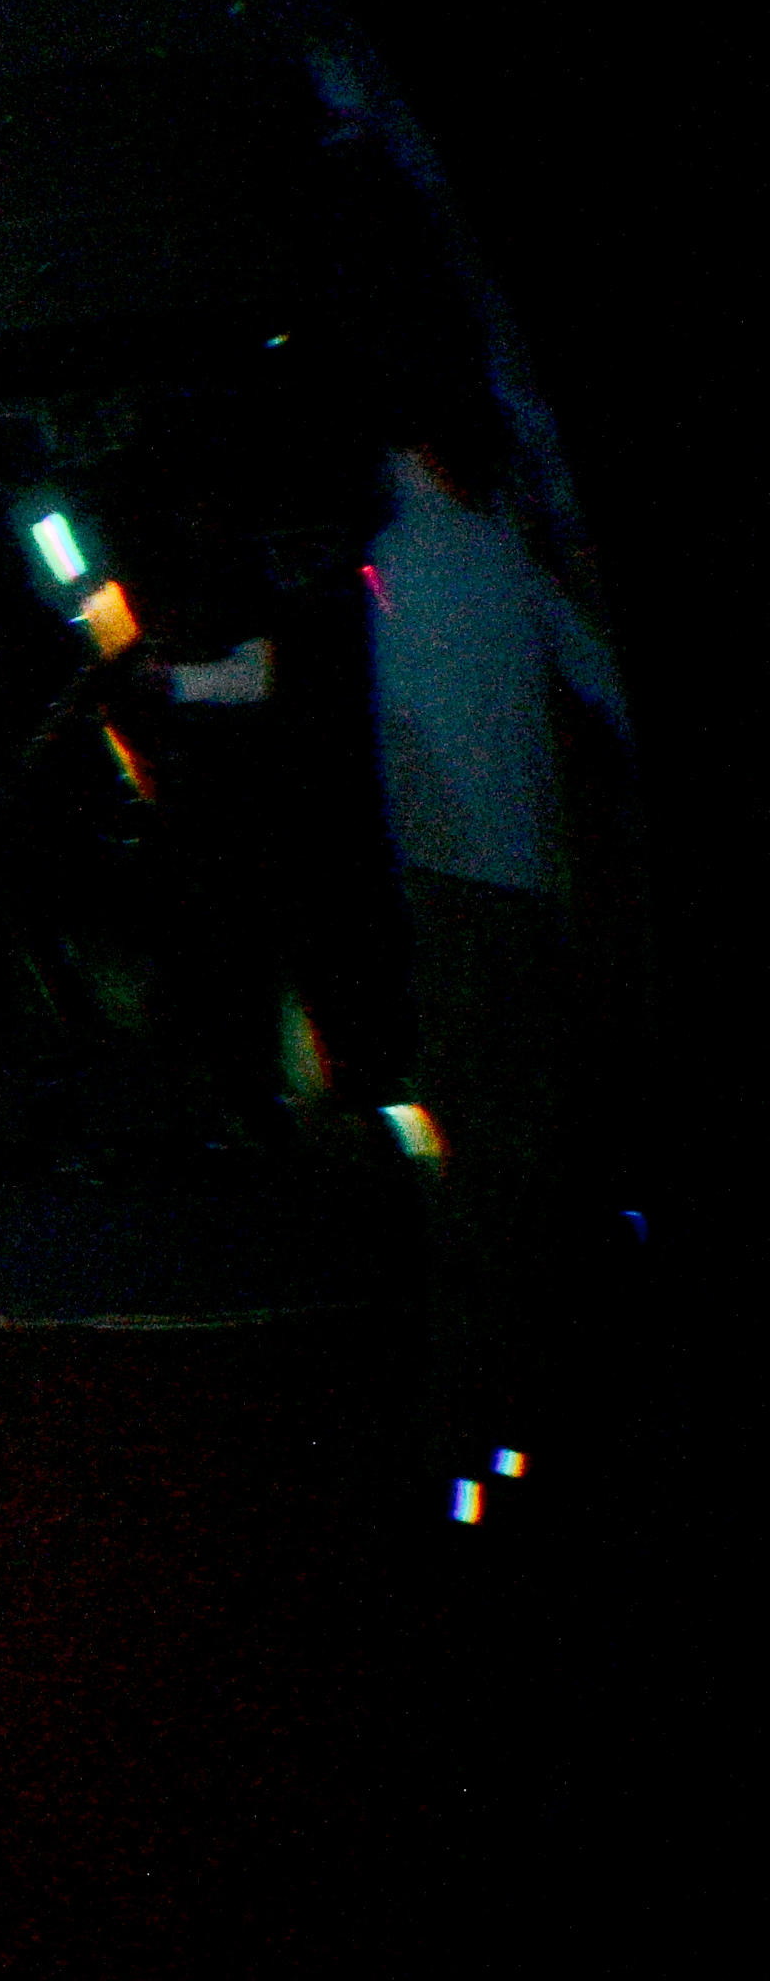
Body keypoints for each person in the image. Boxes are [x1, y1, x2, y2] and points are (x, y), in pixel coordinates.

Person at [364, 388, 628, 1516]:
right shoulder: (482, 552)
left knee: (488, 1155)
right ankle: (491, 1415)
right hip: (504, 886)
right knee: (515, 1150)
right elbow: (591, 677)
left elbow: (409, 738)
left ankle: (475, 1423)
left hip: (461, 887)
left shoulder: (414, 557)